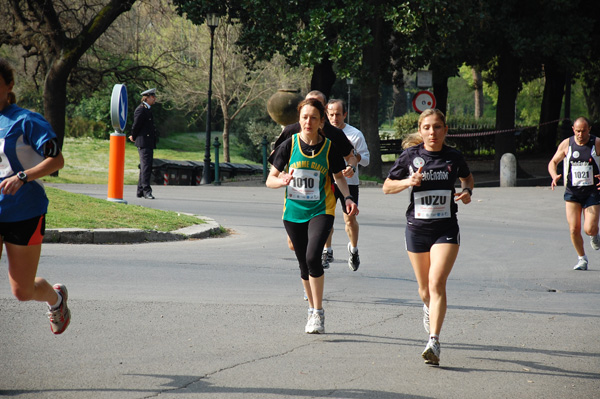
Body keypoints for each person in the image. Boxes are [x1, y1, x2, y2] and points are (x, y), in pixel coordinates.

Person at [382, 109, 474, 365]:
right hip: (416, 229)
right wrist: (408, 182)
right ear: (420, 130)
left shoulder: (453, 157)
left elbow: (467, 179)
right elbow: (387, 187)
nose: (432, 132)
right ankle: (428, 308)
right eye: (427, 128)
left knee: (436, 283)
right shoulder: (410, 156)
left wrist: (467, 192)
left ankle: (434, 340)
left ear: (445, 129)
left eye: (437, 127)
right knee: (424, 290)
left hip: (445, 229)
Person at [267, 98, 358, 334]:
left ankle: (318, 313)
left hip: (322, 209)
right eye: (304, 117)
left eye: (313, 118)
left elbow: (338, 177)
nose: (308, 121)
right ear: (299, 119)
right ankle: (311, 309)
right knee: (302, 264)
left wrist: (347, 198)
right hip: (294, 212)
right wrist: (282, 180)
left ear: (321, 122)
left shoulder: (329, 147)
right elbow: (270, 179)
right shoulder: (289, 145)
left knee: (312, 257)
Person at [0, 58, 70, 334]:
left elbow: (57, 161)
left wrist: (23, 176)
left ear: (9, 86)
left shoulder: (26, 120)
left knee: (22, 291)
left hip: (24, 212)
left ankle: (57, 300)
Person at [273, 90, 358, 269]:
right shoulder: (291, 132)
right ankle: (312, 261)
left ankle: (318, 258)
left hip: (326, 189)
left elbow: (351, 156)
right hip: (296, 200)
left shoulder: (333, 135)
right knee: (294, 244)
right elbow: (275, 161)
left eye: (316, 109)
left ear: (323, 114)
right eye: (307, 109)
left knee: (320, 235)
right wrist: (282, 177)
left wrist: (351, 166)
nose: (309, 119)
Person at [548, 117, 600, 271]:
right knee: (573, 229)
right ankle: (582, 259)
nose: (580, 134)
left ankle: (594, 235)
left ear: (589, 129)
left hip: (592, 192)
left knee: (589, 228)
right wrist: (554, 176)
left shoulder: (596, 143)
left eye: (583, 131)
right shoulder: (567, 144)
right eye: (577, 131)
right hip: (572, 192)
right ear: (573, 130)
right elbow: (553, 162)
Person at [324, 99, 370, 271]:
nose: (334, 118)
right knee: (325, 218)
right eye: (331, 114)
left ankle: (353, 249)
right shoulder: (322, 132)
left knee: (349, 220)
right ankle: (327, 251)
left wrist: (353, 161)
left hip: (349, 183)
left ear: (344, 114)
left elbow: (366, 159)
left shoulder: (355, 135)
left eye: (337, 114)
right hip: (328, 181)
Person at [129, 88, 158, 199]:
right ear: (147, 97)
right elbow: (136, 125)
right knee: (146, 167)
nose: (154, 99)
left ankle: (140, 190)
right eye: (153, 97)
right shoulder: (141, 109)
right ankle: (146, 190)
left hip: (148, 142)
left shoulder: (148, 109)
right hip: (144, 141)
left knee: (145, 167)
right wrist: (133, 136)